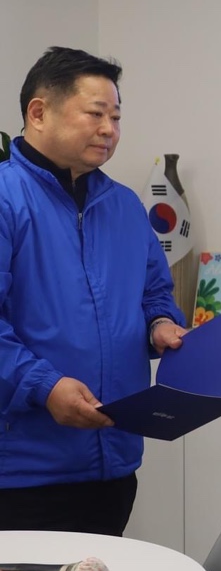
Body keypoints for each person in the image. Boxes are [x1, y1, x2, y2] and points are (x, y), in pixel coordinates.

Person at [0, 47, 186, 535]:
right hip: (22, 473)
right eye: (96, 114)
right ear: (38, 112)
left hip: (114, 463)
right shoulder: (6, 199)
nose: (109, 130)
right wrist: (45, 387)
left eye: (116, 118)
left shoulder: (124, 205)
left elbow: (154, 293)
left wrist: (160, 324)